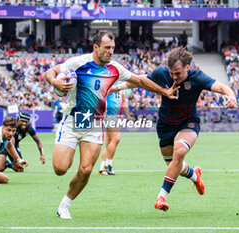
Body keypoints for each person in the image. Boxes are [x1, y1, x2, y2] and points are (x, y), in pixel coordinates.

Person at [44, 30, 178, 219]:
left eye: (113, 48)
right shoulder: (78, 63)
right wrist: (55, 82)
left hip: (95, 122)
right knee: (60, 169)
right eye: (107, 48)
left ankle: (64, 206)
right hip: (73, 120)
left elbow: (139, 80)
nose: (111, 51)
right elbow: (51, 71)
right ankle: (68, 151)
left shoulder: (115, 68)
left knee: (86, 169)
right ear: (96, 47)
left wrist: (164, 92)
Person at [114, 47, 237, 211]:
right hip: (165, 125)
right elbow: (140, 80)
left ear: (188, 66)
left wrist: (231, 97)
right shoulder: (161, 73)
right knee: (173, 164)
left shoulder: (197, 77)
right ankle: (195, 176)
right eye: (171, 73)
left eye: (178, 73)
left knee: (179, 152)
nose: (174, 77)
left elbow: (222, 87)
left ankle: (161, 197)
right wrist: (115, 88)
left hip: (188, 123)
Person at [98, 88, 132, 175]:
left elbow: (123, 101)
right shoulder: (108, 84)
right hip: (109, 115)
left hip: (116, 117)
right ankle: (108, 165)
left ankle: (102, 167)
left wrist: (128, 116)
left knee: (109, 142)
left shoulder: (121, 86)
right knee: (116, 138)